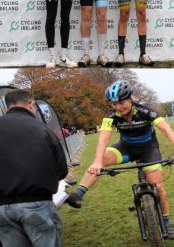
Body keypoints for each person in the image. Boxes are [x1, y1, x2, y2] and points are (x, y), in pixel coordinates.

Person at [66, 80, 174, 238]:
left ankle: (166, 222)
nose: (118, 107)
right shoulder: (111, 116)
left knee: (158, 187)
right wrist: (97, 161)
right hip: (126, 148)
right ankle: (78, 194)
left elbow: (166, 129)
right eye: (114, 104)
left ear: (130, 99)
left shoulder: (146, 111)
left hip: (148, 149)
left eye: (121, 103)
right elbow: (103, 138)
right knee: (100, 160)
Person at [0, 89, 68, 247]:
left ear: (6, 107)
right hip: (35, 203)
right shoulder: (40, 128)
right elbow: (62, 170)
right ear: (31, 104)